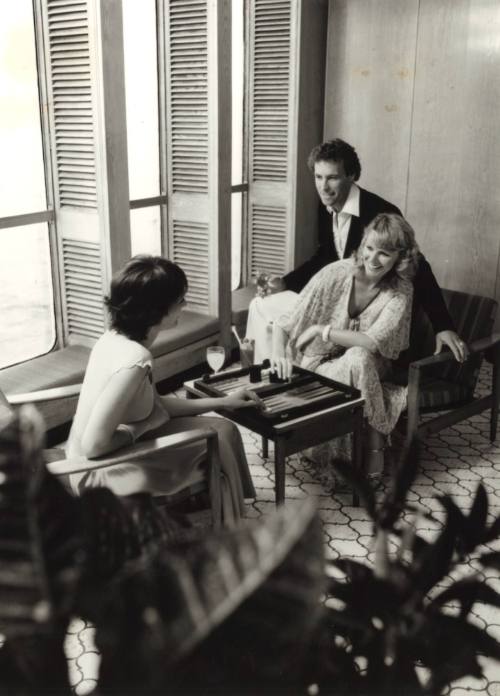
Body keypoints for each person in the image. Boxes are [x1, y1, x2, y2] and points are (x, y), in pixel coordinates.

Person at [66, 255, 260, 526]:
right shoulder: (135, 360)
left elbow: (156, 405)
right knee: (216, 438)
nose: (185, 305)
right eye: (180, 300)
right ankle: (224, 524)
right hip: (99, 472)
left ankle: (220, 512)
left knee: (224, 428)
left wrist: (224, 401)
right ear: (158, 310)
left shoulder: (114, 338)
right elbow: (94, 446)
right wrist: (142, 427)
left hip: (96, 455)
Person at [246, 138, 468, 365]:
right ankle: (273, 374)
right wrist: (285, 283)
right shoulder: (327, 207)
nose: (323, 187)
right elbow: (324, 258)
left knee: (286, 322)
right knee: (262, 306)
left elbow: (418, 266)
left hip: (367, 315)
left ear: (351, 175)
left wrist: (443, 326)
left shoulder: (381, 212)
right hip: (338, 304)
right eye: (318, 177)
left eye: (332, 177)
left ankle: (294, 374)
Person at [271, 213, 419, 486]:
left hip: (372, 364)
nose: (373, 259)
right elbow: (284, 324)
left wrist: (321, 330)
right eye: (369, 248)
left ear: (401, 256)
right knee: (356, 361)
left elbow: (373, 342)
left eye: (384, 253)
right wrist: (278, 355)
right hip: (320, 365)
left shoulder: (401, 290)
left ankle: (373, 447)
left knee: (360, 357)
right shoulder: (336, 272)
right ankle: (362, 452)